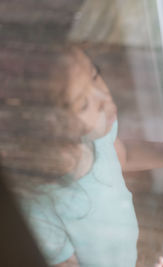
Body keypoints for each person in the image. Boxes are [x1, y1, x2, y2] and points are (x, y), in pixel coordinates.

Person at [0, 44, 138, 267]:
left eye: (95, 76)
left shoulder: (97, 136)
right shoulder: (40, 209)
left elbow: (126, 155)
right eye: (84, 104)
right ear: (49, 128)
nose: (104, 96)